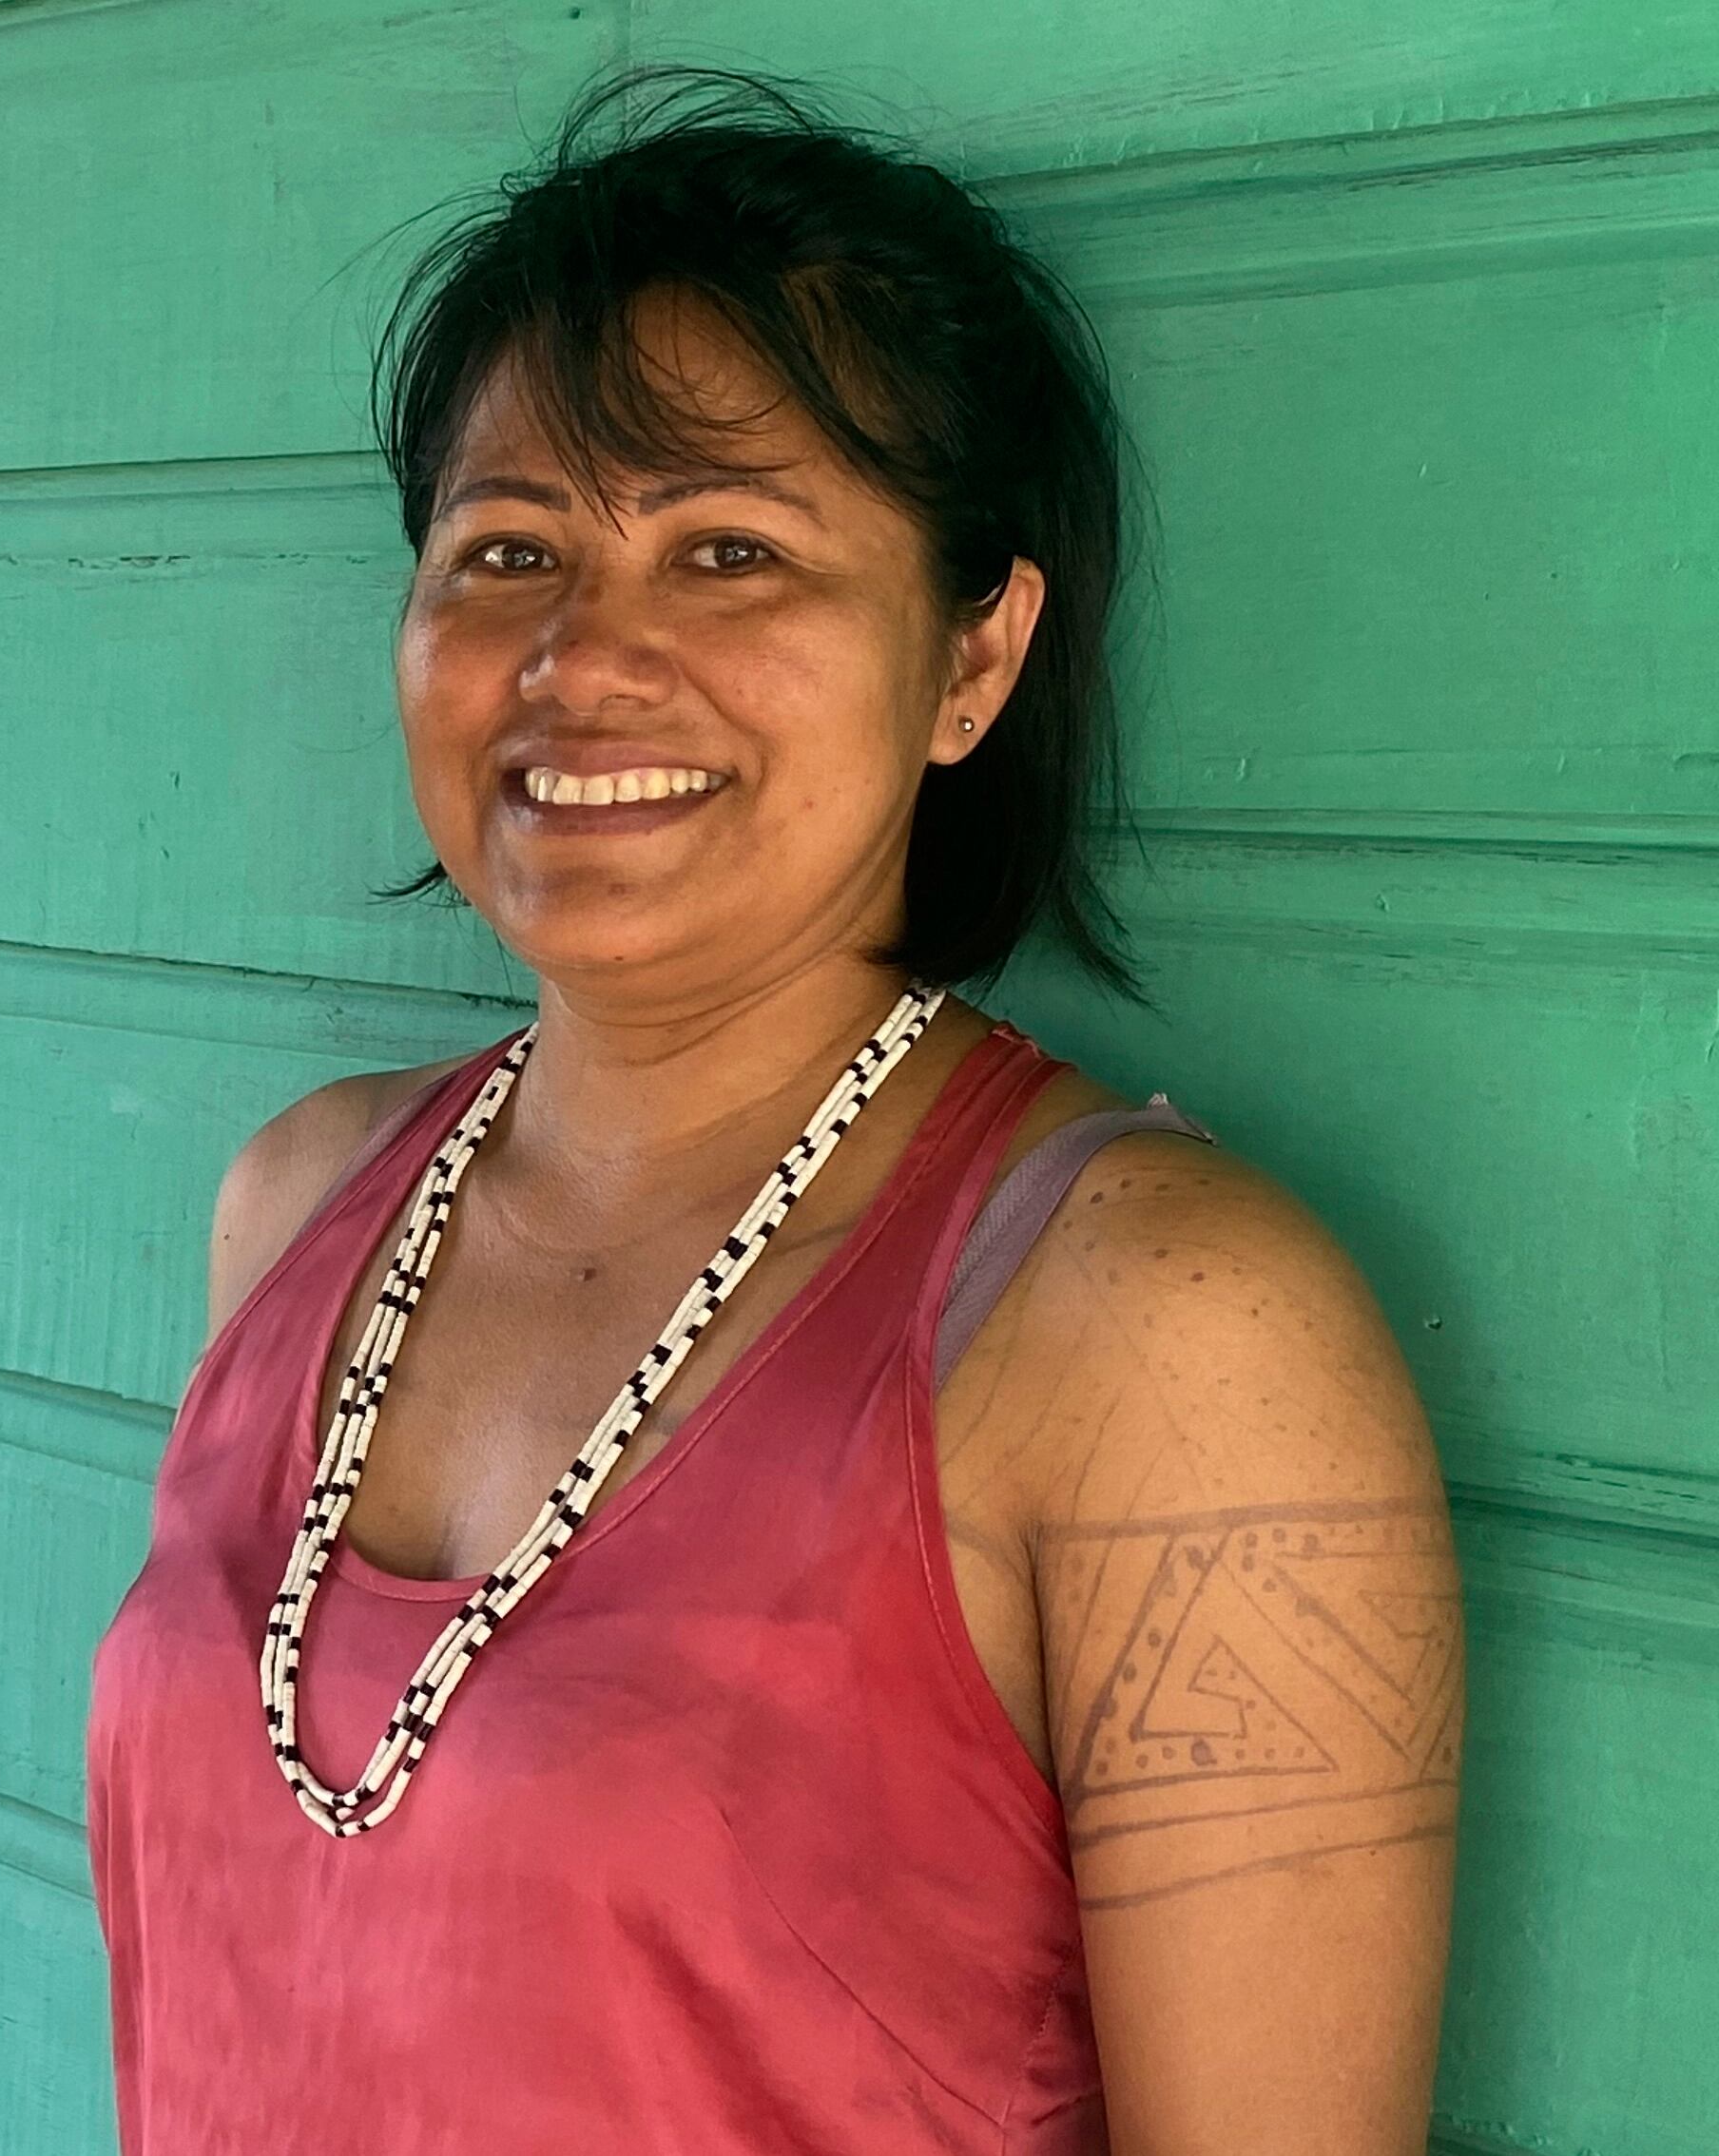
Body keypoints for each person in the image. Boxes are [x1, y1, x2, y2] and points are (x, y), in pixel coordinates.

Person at [87, 74, 1458, 2154]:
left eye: (731, 549)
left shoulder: (1165, 1333)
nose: (583, 656)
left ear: (973, 656)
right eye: (508, 548)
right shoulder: (298, 1207)